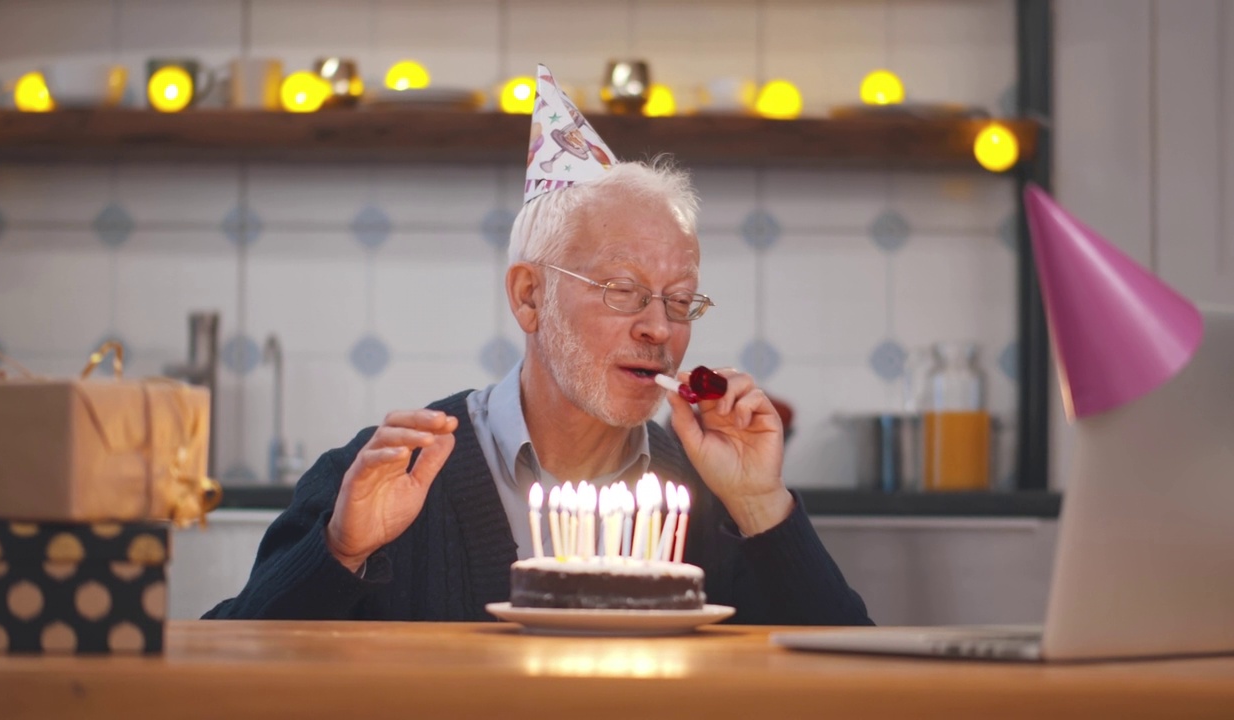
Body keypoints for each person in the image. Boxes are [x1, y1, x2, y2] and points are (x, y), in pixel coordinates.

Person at [205, 65, 871, 626]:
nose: (660, 330)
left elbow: (857, 687)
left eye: (678, 300)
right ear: (529, 296)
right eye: (623, 291)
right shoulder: (386, 480)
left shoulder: (709, 504)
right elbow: (230, 667)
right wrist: (339, 551)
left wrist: (759, 504)